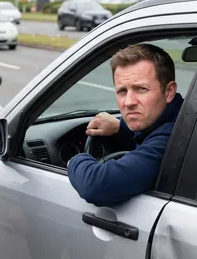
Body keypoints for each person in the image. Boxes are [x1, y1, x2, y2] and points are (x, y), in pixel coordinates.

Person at [67, 43, 184, 206]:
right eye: (122, 91)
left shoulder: (176, 137)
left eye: (141, 89)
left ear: (169, 91)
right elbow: (150, 139)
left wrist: (74, 161)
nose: (128, 102)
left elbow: (96, 186)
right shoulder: (184, 119)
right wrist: (120, 128)